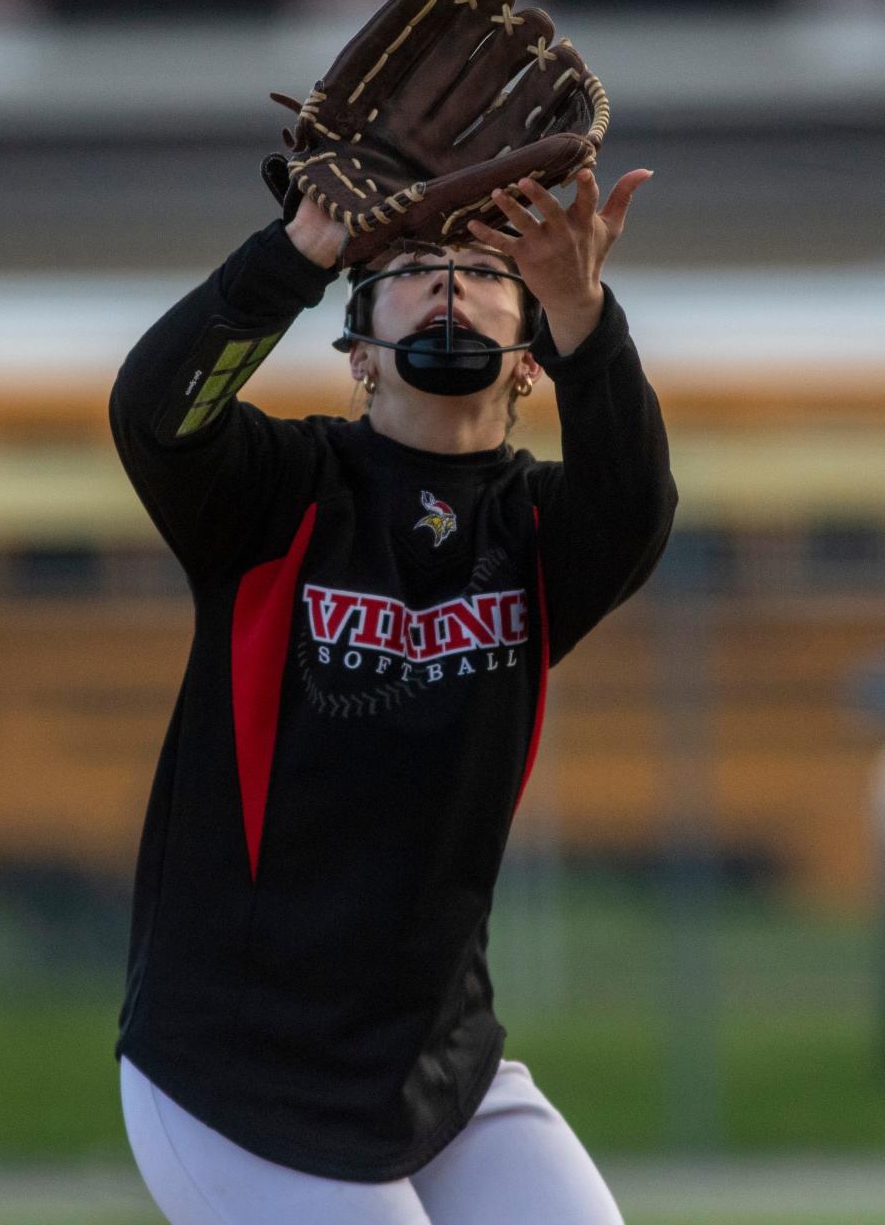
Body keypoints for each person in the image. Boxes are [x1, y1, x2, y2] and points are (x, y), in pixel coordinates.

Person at [110, 163, 677, 1223]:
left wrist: (582, 310)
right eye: (414, 268)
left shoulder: (543, 535)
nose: (450, 285)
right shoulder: (273, 495)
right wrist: (296, 256)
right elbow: (155, 413)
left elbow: (638, 498)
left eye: (483, 270)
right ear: (359, 352)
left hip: (441, 1066)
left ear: (526, 361)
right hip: (237, 1074)